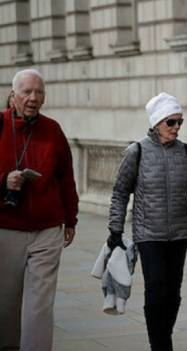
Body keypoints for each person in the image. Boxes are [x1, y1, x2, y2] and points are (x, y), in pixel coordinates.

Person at [108, 92, 187, 351]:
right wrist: (115, 229)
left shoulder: (185, 152)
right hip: (148, 233)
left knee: (173, 293)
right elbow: (119, 192)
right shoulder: (136, 151)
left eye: (179, 122)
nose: (176, 127)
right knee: (157, 291)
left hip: (180, 233)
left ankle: (164, 335)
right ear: (156, 122)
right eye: (171, 122)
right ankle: (160, 344)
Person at [0, 69, 80, 350]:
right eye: (27, 92)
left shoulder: (52, 130)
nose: (34, 98)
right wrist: (4, 180)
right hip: (6, 228)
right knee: (6, 302)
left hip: (47, 229)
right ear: (13, 95)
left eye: (39, 92)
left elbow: (66, 178)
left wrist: (70, 219)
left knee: (40, 304)